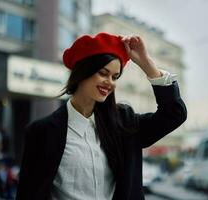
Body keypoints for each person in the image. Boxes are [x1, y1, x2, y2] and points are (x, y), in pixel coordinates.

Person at [16, 32, 187, 200]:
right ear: (83, 72)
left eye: (115, 76)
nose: (110, 82)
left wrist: (147, 64)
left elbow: (174, 114)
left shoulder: (124, 122)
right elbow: (28, 193)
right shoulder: (42, 132)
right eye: (103, 73)